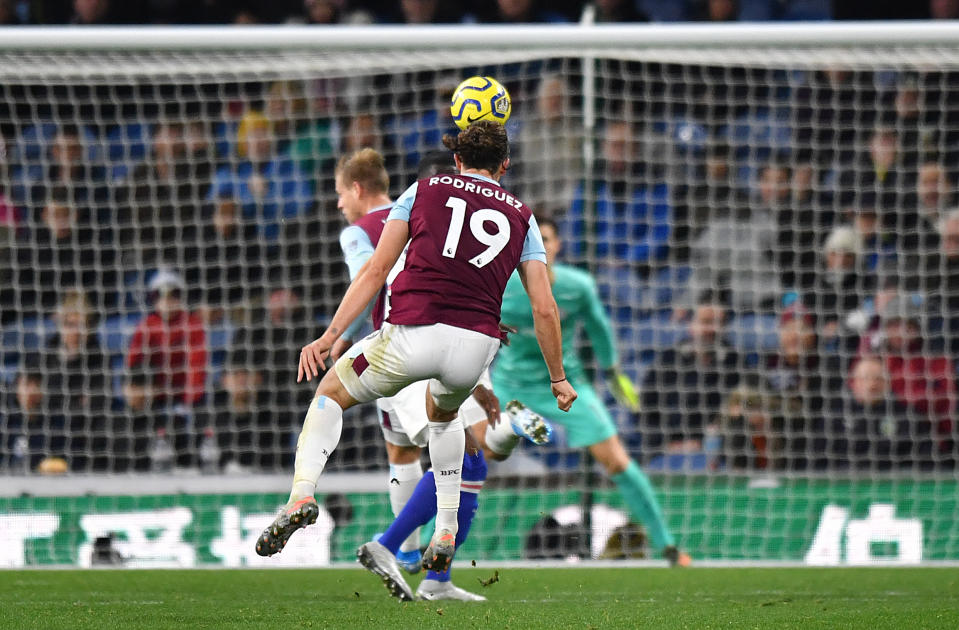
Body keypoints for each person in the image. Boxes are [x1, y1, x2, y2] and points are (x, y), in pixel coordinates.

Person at [255, 121, 576, 576]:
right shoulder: (523, 215)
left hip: (412, 333)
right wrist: (558, 377)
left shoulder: (423, 190)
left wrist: (330, 335)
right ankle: (444, 527)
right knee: (443, 417)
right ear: (505, 165)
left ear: (458, 160)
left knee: (330, 392)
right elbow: (545, 308)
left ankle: (302, 494)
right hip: (476, 346)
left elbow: (374, 271)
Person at [334, 149, 552, 601]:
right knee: (462, 452)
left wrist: (340, 336)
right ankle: (411, 558)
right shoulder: (454, 218)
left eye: (340, 193)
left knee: (424, 453)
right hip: (445, 344)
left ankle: (411, 559)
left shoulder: (391, 220)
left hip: (403, 345)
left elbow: (372, 278)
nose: (339, 203)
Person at [494, 217, 690, 566]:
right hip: (510, 385)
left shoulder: (576, 286)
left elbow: (599, 326)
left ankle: (667, 545)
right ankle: (429, 542)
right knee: (470, 455)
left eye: (547, 238)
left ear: (557, 244)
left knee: (616, 460)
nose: (540, 245)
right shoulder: (497, 284)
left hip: (568, 385)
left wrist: (613, 371)